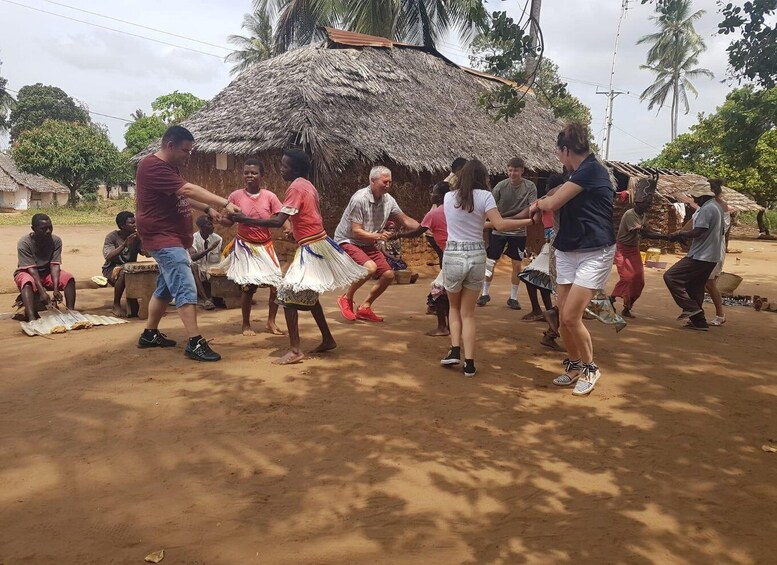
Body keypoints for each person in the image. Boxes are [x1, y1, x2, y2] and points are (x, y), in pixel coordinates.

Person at [228, 150, 368, 365]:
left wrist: (245, 219)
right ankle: (328, 339)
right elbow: (308, 216)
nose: (281, 169)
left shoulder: (295, 187)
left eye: (284, 166)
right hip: (316, 243)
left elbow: (277, 221)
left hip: (312, 247)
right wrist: (296, 230)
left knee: (286, 297)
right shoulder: (307, 185)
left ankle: (295, 350)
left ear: (295, 169)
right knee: (310, 297)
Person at [134, 125, 241, 362]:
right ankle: (195, 342)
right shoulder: (152, 166)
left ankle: (150, 334)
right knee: (185, 285)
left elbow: (183, 196)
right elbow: (187, 189)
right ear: (170, 145)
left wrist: (208, 209)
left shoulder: (169, 168)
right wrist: (224, 202)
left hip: (170, 237)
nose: (188, 155)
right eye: (185, 150)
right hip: (162, 237)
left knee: (165, 287)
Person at [531, 123, 616, 396]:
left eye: (559, 153)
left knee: (570, 315)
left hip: (594, 251)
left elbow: (551, 203)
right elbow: (557, 194)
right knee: (563, 316)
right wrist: (545, 198)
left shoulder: (591, 170)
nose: (559, 159)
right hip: (568, 249)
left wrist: (538, 204)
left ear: (566, 150)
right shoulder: (578, 173)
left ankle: (591, 367)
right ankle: (575, 365)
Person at [440, 159, 537, 377]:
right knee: (468, 314)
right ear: (483, 177)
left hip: (454, 253)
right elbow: (500, 224)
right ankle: (470, 364)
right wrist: (529, 222)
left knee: (453, 309)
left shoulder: (448, 197)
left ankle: (455, 350)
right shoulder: (485, 196)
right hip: (476, 254)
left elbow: (466, 221)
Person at [334, 166, 421, 322]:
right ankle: (346, 298)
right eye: (385, 181)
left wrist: (425, 228)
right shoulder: (359, 199)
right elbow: (356, 231)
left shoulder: (389, 200)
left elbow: (406, 220)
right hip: (349, 240)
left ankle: (365, 307)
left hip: (369, 241)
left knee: (388, 275)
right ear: (372, 181)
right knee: (370, 268)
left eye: (390, 182)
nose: (388, 185)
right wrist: (379, 236)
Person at [220, 159, 287, 336]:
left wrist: (289, 229)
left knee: (276, 285)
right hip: (245, 245)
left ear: (261, 176)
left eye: (254, 172)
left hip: (265, 245)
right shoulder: (235, 196)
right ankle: (246, 325)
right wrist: (223, 219)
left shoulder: (270, 197)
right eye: (246, 172)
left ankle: (271, 322)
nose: (250, 176)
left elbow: (279, 220)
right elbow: (227, 221)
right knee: (248, 287)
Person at [478, 157, 537, 310]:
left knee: (517, 265)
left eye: (516, 170)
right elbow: (488, 206)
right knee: (491, 262)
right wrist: (495, 222)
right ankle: (484, 293)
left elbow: (531, 209)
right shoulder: (500, 186)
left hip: (518, 231)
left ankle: (513, 297)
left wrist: (509, 219)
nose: (512, 173)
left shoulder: (530, 187)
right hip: (498, 230)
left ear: (522, 171)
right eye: (510, 170)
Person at [663, 186, 725, 331]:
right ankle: (699, 322)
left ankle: (690, 307)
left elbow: (699, 231)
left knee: (671, 276)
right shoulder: (716, 208)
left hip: (701, 255)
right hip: (711, 255)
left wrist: (680, 234)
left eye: (696, 197)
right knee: (695, 286)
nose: (694, 199)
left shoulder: (707, 209)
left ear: (703, 196)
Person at [393, 181, 451, 336]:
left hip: (450, 255)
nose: (431, 194)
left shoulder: (434, 214)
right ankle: (452, 324)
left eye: (433, 192)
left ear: (439, 196)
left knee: (438, 288)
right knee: (451, 290)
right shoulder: (458, 210)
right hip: (465, 253)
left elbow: (417, 232)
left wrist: (398, 235)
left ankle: (442, 327)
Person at [610, 189, 668, 318]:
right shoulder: (630, 214)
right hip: (623, 249)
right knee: (627, 277)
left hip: (633, 249)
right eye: (646, 204)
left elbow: (647, 229)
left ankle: (627, 307)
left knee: (639, 280)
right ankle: (611, 299)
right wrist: (667, 237)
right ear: (638, 202)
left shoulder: (642, 215)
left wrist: (662, 235)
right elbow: (643, 232)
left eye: (649, 204)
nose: (648, 207)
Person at [14, 214, 76, 321]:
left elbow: (55, 265)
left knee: (69, 279)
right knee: (27, 282)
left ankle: (71, 312)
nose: (48, 231)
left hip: (47, 273)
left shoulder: (56, 241)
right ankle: (31, 317)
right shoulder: (24, 243)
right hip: (27, 272)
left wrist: (56, 290)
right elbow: (32, 270)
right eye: (43, 229)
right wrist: (42, 292)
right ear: (33, 229)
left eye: (50, 227)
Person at [102, 210, 142, 317]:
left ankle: (134, 302)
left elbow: (146, 253)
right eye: (131, 223)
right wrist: (124, 245)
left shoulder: (137, 237)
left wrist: (145, 240)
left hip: (131, 269)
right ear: (122, 226)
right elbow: (108, 256)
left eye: (135, 222)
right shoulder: (112, 237)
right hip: (112, 269)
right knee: (123, 273)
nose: (135, 225)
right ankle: (116, 304)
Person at [704, 179, 731, 326]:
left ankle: (720, 314)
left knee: (710, 282)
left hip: (713, 247)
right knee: (703, 282)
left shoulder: (720, 207)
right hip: (706, 248)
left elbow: (721, 229)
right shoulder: (709, 206)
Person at [189, 214, 223, 310]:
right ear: (200, 227)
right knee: (193, 266)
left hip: (212, 272)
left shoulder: (218, 239)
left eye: (212, 224)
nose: (212, 226)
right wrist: (210, 249)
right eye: (209, 224)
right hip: (200, 272)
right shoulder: (193, 239)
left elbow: (225, 254)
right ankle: (205, 300)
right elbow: (193, 257)